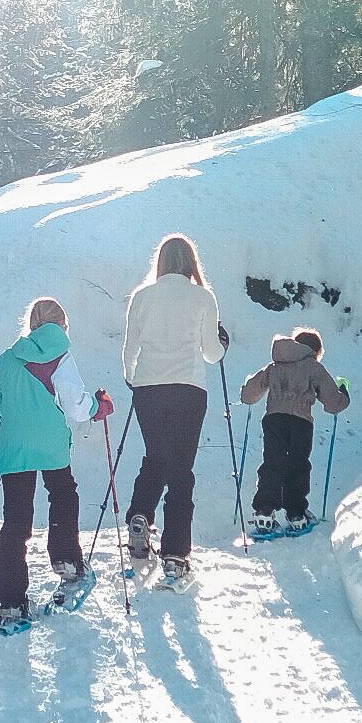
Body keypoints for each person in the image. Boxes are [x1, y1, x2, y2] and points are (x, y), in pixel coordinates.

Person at [0, 295, 113, 631]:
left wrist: (15, 406)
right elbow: (76, 406)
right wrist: (98, 407)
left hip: (14, 446)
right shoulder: (61, 356)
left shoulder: (7, 358)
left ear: (31, 323)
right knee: (63, 494)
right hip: (51, 441)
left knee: (16, 520)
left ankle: (11, 603)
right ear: (62, 325)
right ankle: (67, 561)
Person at [120, 231, 227, 589]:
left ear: (161, 262)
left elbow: (129, 350)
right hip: (187, 388)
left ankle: (139, 516)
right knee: (180, 469)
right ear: (191, 263)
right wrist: (222, 342)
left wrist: (133, 380)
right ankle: (175, 554)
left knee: (156, 457)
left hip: (148, 388)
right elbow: (211, 353)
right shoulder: (203, 297)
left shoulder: (142, 296)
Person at [239, 325, 348, 535]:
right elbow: (333, 403)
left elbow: (248, 396)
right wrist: (344, 393)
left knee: (273, 462)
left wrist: (246, 387)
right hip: (301, 422)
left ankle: (264, 511)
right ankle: (296, 513)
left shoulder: (275, 366)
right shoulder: (314, 368)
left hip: (274, 419)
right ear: (315, 351)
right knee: (298, 464)